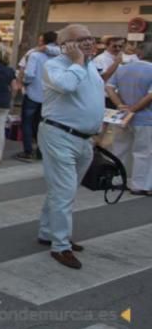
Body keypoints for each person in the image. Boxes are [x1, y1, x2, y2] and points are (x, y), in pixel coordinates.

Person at [37, 24, 104, 270]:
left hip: (84, 138)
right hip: (59, 135)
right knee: (64, 191)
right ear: (65, 45)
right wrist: (77, 62)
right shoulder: (53, 66)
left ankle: (48, 231)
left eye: (90, 38)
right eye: (80, 40)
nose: (88, 43)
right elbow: (66, 86)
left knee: (64, 190)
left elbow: (94, 98)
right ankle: (60, 245)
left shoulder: (91, 67)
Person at [106, 42, 152, 195]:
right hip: (146, 118)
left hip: (122, 117)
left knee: (120, 148)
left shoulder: (123, 69)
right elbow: (150, 95)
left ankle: (117, 180)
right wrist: (134, 109)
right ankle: (140, 185)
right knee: (143, 152)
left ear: (140, 53)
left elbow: (109, 87)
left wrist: (120, 105)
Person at [15, 31, 59, 162]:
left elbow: (29, 74)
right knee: (42, 124)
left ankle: (28, 150)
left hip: (33, 93)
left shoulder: (34, 55)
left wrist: (25, 84)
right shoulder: (60, 55)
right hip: (50, 94)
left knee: (27, 122)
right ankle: (41, 150)